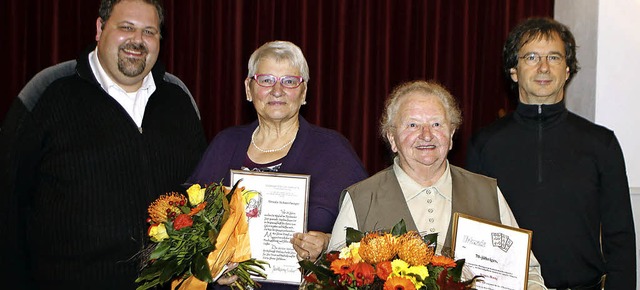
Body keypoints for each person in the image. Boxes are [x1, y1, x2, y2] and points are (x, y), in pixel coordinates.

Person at [0, 0, 207, 288]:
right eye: (126, 27)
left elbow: (202, 197)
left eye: (149, 31)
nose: (137, 40)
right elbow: (8, 206)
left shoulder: (179, 100)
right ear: (99, 28)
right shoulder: (47, 94)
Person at [466, 17, 636, 289]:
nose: (543, 67)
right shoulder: (484, 145)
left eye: (554, 57)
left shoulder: (601, 144)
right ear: (514, 70)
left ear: (567, 70)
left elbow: (621, 238)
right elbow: (473, 234)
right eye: (531, 56)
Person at [329, 80, 546, 289]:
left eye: (436, 124)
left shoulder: (487, 193)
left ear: (451, 135)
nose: (426, 135)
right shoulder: (361, 199)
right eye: (413, 124)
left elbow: (527, 274)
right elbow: (331, 280)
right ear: (392, 139)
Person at [186, 40, 368, 289]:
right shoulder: (225, 144)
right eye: (266, 80)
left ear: (303, 93)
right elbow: (186, 225)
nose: (277, 91)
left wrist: (326, 243)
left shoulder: (333, 151)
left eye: (290, 81)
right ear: (249, 89)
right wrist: (211, 266)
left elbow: (369, 233)